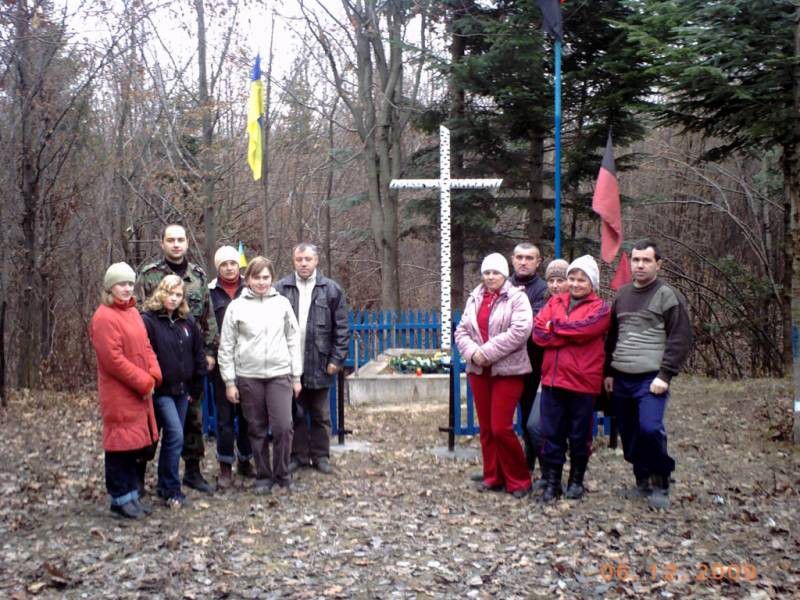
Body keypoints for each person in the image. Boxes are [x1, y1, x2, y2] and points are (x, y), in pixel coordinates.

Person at [603, 240, 692, 510]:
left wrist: (665, 375)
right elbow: (613, 336)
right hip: (621, 377)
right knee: (629, 432)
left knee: (650, 428)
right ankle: (641, 480)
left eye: (646, 260)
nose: (640, 265)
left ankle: (661, 481)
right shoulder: (623, 294)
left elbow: (680, 337)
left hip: (651, 378)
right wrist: (608, 371)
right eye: (636, 260)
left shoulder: (668, 296)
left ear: (658, 264)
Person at [136, 224, 216, 494]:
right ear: (162, 243)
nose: (176, 244)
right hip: (155, 368)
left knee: (192, 421)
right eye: (170, 240)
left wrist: (209, 353)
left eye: (181, 239)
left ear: (186, 243)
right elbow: (137, 321)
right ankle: (138, 475)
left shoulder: (198, 276)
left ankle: (192, 471)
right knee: (152, 425)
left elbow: (207, 317)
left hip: (188, 365)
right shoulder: (148, 276)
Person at [218, 256, 303, 493]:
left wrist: (296, 376)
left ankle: (282, 474)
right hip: (248, 376)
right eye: (257, 277)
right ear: (248, 279)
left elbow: (293, 340)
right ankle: (263, 475)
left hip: (279, 374)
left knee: (283, 426)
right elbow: (226, 346)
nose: (262, 282)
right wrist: (229, 381)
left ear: (272, 278)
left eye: (266, 277)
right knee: (255, 428)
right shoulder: (236, 307)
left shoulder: (282, 304)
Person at [532, 255, 611, 502]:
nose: (576, 284)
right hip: (553, 381)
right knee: (551, 433)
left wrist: (555, 328)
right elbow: (538, 334)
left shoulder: (601, 308)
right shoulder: (554, 302)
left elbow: (586, 330)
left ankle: (576, 479)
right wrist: (562, 331)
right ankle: (552, 482)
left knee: (579, 434)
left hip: (582, 382)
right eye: (573, 278)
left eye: (582, 279)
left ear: (592, 283)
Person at [455, 253, 533, 499]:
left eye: (496, 273)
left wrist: (485, 353)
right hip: (479, 371)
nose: (490, 277)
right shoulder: (475, 297)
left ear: (504, 274)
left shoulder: (517, 298)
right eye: (487, 272)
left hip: (507, 371)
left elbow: (520, 331)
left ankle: (519, 479)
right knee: (487, 428)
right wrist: (472, 353)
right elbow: (462, 330)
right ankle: (493, 476)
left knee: (501, 428)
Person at [90, 262, 162, 519]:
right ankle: (119, 498)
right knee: (119, 444)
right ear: (111, 286)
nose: (126, 288)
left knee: (134, 446)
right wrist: (143, 382)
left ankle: (132, 494)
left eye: (130, 284)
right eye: (122, 284)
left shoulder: (133, 313)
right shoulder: (103, 317)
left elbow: (145, 347)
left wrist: (154, 373)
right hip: (119, 392)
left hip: (140, 390)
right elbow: (113, 360)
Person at [274, 243, 349, 475]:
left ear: (316, 261)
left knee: (320, 414)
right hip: (288, 364)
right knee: (293, 413)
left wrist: (336, 359)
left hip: (320, 362)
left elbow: (342, 329)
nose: (303, 263)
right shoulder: (280, 288)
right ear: (293, 261)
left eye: (308, 259)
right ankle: (298, 455)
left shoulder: (332, 290)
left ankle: (320, 456)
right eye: (299, 259)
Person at [141, 275, 207, 508]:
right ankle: (171, 488)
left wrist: (196, 387)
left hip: (183, 390)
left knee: (173, 439)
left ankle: (164, 485)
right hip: (161, 391)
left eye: (178, 295)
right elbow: (143, 355)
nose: (174, 298)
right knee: (175, 435)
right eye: (170, 293)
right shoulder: (149, 320)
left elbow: (198, 354)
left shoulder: (187, 321)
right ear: (161, 292)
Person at [208, 246, 254, 489]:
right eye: (224, 264)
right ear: (218, 267)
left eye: (233, 263)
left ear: (239, 265)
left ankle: (246, 460)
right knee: (224, 417)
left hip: (249, 361)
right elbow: (203, 324)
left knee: (248, 416)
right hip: (221, 362)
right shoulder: (210, 293)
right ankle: (225, 466)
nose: (229, 267)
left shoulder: (251, 289)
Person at [524, 257, 571, 491]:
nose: (555, 285)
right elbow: (538, 334)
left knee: (561, 431)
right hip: (545, 375)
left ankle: (563, 478)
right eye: (551, 280)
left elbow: (573, 333)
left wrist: (554, 331)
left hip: (571, 378)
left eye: (560, 280)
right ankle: (547, 473)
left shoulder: (576, 305)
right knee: (534, 426)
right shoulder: (545, 305)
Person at [508, 243, 548, 478]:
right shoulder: (503, 285)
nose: (524, 262)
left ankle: (532, 461)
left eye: (529, 258)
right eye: (520, 257)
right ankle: (506, 463)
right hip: (504, 364)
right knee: (501, 420)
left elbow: (532, 324)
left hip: (534, 364)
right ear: (512, 259)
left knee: (531, 418)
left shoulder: (544, 289)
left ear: (538, 261)